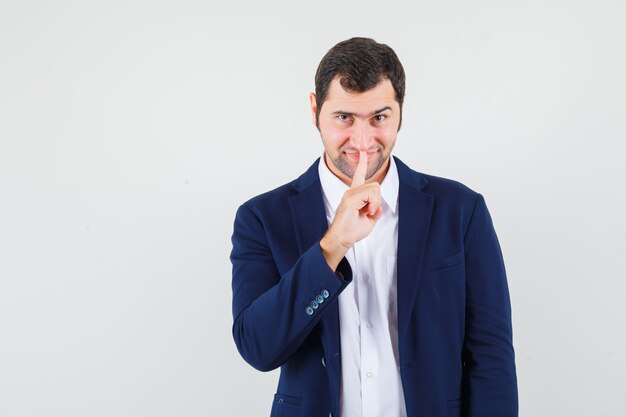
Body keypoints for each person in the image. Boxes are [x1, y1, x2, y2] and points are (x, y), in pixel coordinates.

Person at [230, 37, 518, 417]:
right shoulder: (262, 217)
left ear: (400, 112)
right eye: (344, 117)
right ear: (315, 109)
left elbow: (490, 352)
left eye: (379, 117)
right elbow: (258, 348)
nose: (362, 142)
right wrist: (333, 245)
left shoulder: (461, 210)